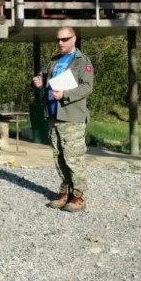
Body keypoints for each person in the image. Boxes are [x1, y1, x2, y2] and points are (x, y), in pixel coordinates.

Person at [32, 26, 94, 212]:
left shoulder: (82, 61)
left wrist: (65, 94)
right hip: (53, 115)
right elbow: (44, 77)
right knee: (59, 156)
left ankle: (79, 196)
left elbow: (87, 87)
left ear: (74, 39)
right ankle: (65, 192)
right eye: (58, 39)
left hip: (72, 117)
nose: (60, 43)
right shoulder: (54, 61)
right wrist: (39, 81)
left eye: (65, 39)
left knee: (73, 157)